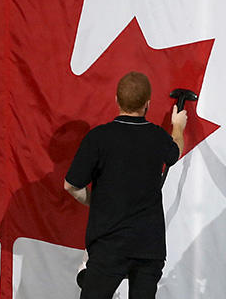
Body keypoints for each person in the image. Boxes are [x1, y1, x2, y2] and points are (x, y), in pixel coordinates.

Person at [64, 71, 187, 299]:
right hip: (148, 246)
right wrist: (177, 125)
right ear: (148, 104)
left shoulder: (98, 138)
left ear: (116, 100)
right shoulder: (157, 136)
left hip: (109, 244)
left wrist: (96, 203)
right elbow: (175, 151)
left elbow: (71, 185)